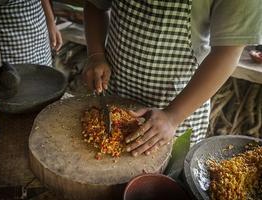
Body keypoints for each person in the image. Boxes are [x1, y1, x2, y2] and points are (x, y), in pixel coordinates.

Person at [82, 0, 262, 157]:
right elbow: (95, 5)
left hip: (179, 108)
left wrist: (172, 116)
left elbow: (228, 51)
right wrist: (96, 54)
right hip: (117, 91)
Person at [0, 0, 62, 66]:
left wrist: (51, 22)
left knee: (44, 73)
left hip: (39, 20)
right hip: (8, 34)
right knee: (15, 75)